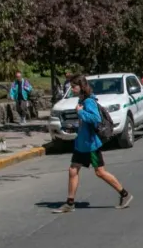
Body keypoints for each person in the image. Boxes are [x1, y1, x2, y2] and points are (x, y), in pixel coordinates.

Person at [53, 74, 133, 213]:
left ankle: (125, 194)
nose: (71, 89)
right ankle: (70, 203)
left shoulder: (89, 101)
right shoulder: (82, 99)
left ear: (81, 87)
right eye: (71, 86)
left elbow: (95, 118)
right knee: (73, 170)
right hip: (81, 144)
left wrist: (81, 112)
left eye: (74, 86)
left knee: (100, 172)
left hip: (90, 145)